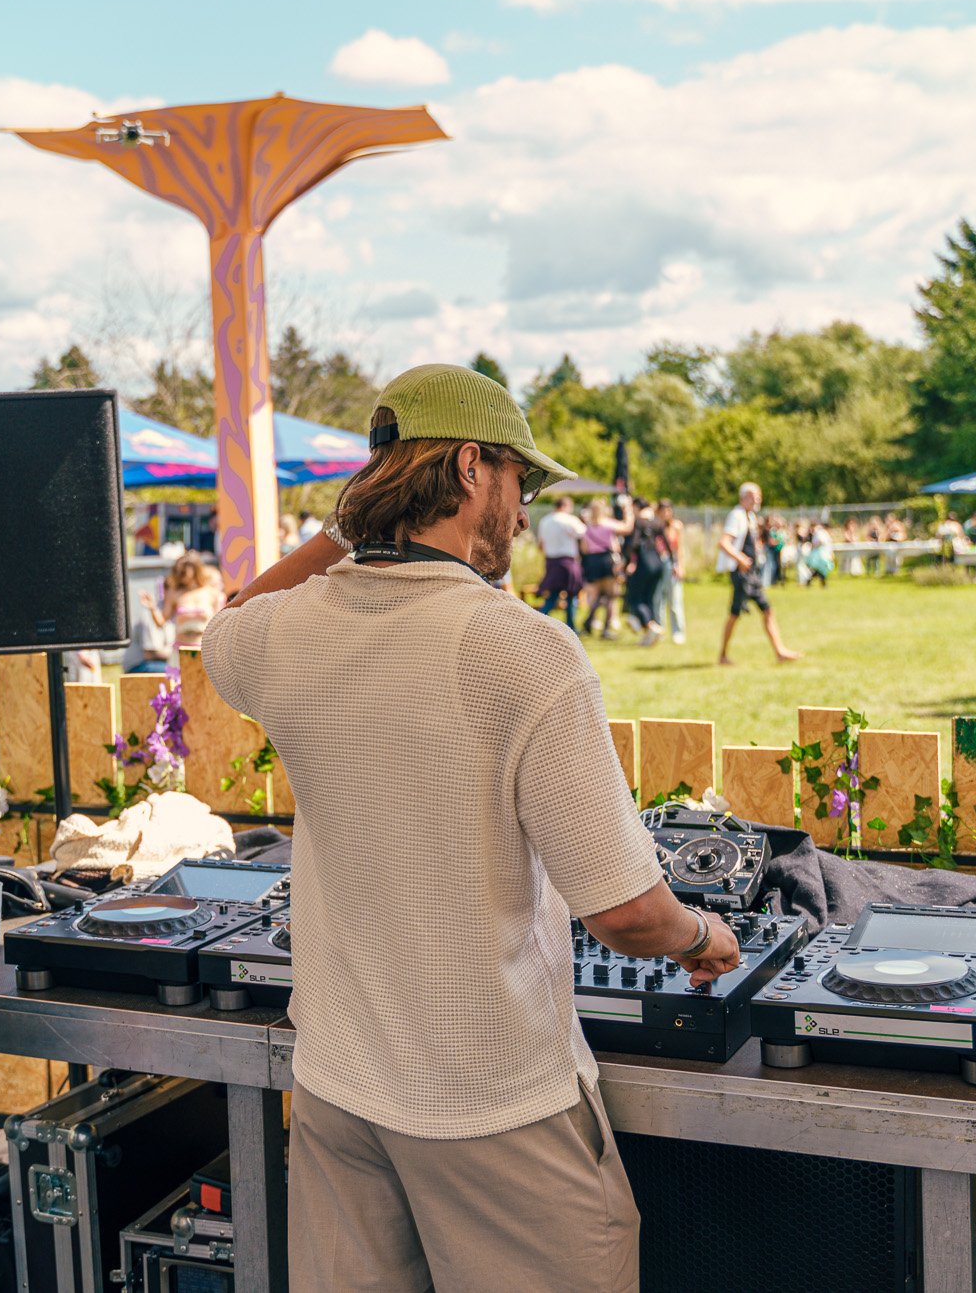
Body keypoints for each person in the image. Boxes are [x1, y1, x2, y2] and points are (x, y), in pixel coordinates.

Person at [201, 363, 741, 1292]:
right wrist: (702, 935)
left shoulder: (284, 633)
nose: (524, 514)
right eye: (519, 481)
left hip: (336, 1088)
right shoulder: (522, 648)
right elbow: (625, 913)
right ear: (467, 467)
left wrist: (352, 522)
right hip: (494, 1105)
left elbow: (231, 618)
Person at [716, 482, 805, 666]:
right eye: (754, 496)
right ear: (744, 497)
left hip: (752, 575)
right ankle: (722, 655)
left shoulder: (749, 517)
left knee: (767, 610)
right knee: (734, 614)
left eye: (759, 496)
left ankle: (780, 651)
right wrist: (740, 559)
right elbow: (723, 543)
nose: (758, 499)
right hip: (742, 575)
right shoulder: (737, 515)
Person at [140, 551, 223, 658]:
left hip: (205, 651)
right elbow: (161, 622)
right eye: (178, 571)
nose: (180, 575)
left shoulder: (211, 593)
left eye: (184, 571)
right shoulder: (174, 593)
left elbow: (219, 623)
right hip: (181, 650)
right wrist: (152, 608)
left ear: (195, 569)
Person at [578, 498, 630, 639]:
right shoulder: (608, 524)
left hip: (592, 561)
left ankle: (589, 622)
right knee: (611, 595)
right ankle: (606, 628)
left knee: (597, 595)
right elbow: (627, 528)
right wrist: (627, 509)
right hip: (607, 560)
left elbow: (584, 548)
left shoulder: (587, 528)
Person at [534, 495, 588, 630]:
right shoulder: (569, 520)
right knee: (571, 596)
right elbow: (584, 534)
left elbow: (541, 545)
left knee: (552, 596)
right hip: (568, 562)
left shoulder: (545, 521)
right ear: (566, 506)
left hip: (551, 562)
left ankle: (539, 622)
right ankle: (571, 627)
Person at [622, 499, 669, 647]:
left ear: (637, 507)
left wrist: (627, 561)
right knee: (650, 598)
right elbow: (666, 542)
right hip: (658, 563)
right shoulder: (657, 521)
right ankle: (649, 633)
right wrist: (674, 562)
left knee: (635, 598)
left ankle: (651, 626)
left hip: (644, 563)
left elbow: (634, 543)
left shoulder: (639, 521)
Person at [653, 500, 688, 645]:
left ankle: (678, 632)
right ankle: (659, 630)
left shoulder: (676, 526)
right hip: (657, 563)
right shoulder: (655, 526)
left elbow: (679, 548)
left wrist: (680, 566)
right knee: (657, 599)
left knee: (674, 600)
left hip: (671, 563)